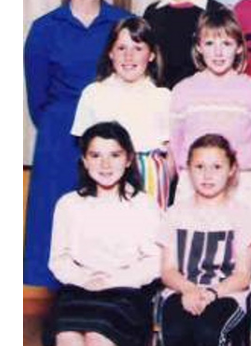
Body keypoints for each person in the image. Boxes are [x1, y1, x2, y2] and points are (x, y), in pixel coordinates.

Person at [25, 0, 132, 288]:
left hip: (111, 130)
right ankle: (61, 306)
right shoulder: (44, 29)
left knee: (107, 215)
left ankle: (107, 302)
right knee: (58, 216)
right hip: (59, 135)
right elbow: (37, 98)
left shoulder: (122, 24)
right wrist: (62, 127)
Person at [46, 122, 161, 346]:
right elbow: (59, 259)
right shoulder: (69, 204)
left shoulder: (142, 204)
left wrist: (117, 279)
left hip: (126, 289)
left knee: (98, 332)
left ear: (128, 160)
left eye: (114, 155)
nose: (105, 164)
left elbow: (153, 260)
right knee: (67, 332)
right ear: (83, 160)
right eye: (96, 155)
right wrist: (85, 278)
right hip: (80, 285)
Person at [157, 134, 251, 346]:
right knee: (174, 330)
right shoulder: (175, 214)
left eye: (216, 166)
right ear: (187, 170)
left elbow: (242, 274)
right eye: (199, 167)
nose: (208, 175)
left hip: (227, 293)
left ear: (232, 170)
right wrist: (188, 290)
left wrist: (211, 293)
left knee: (207, 330)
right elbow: (168, 270)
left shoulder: (243, 215)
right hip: (182, 289)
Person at [71, 17, 174, 208]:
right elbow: (83, 144)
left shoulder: (163, 97)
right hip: (105, 172)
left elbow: (172, 148)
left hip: (150, 176)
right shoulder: (94, 93)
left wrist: (164, 175)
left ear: (151, 55)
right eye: (121, 48)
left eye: (138, 48)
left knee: (148, 233)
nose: (129, 56)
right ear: (110, 53)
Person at [169, 9, 251, 204]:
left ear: (239, 47)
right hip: (193, 184)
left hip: (242, 185)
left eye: (227, 43)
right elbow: (175, 144)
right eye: (210, 43)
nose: (218, 52)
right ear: (198, 47)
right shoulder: (182, 91)